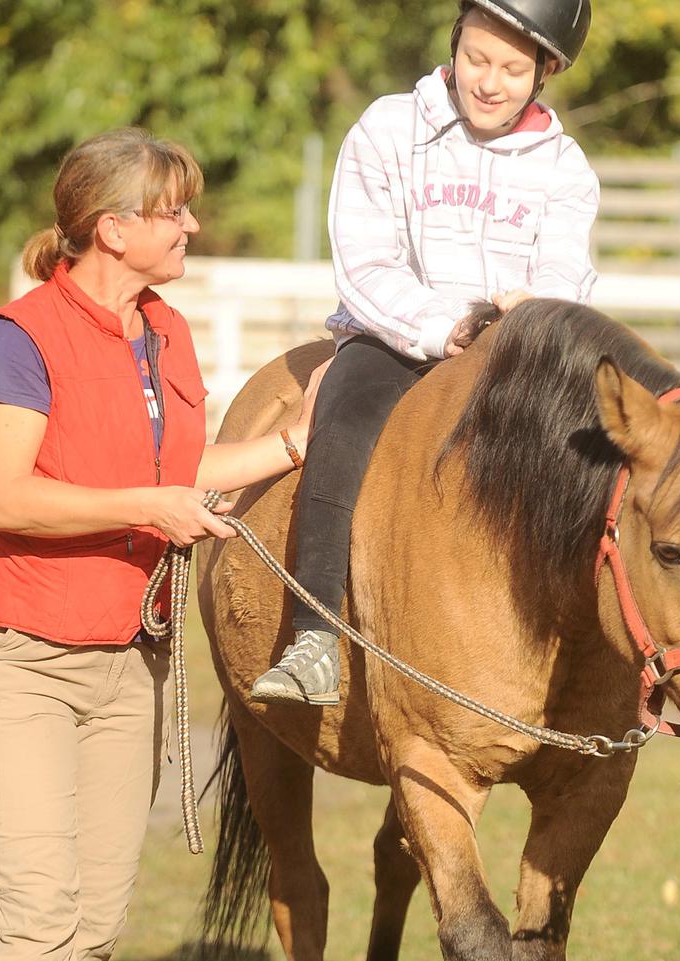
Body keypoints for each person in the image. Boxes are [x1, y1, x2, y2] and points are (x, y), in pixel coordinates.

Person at [0, 127, 325, 961]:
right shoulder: (22, 336)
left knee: (94, 934)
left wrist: (296, 443)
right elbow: (9, 496)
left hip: (133, 669)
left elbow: (181, 466)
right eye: (172, 211)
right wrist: (153, 505)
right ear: (113, 229)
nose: (190, 225)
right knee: (39, 931)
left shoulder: (166, 333)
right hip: (22, 665)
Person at [251, 0, 598, 706]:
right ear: (454, 43)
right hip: (396, 338)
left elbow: (566, 275)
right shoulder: (387, 129)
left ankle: (598, 648)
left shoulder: (565, 168)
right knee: (341, 425)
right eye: (476, 58)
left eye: (511, 68)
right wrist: (449, 327)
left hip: (512, 353)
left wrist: (529, 315)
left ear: (546, 71)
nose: (490, 82)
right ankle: (314, 631)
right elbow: (367, 264)